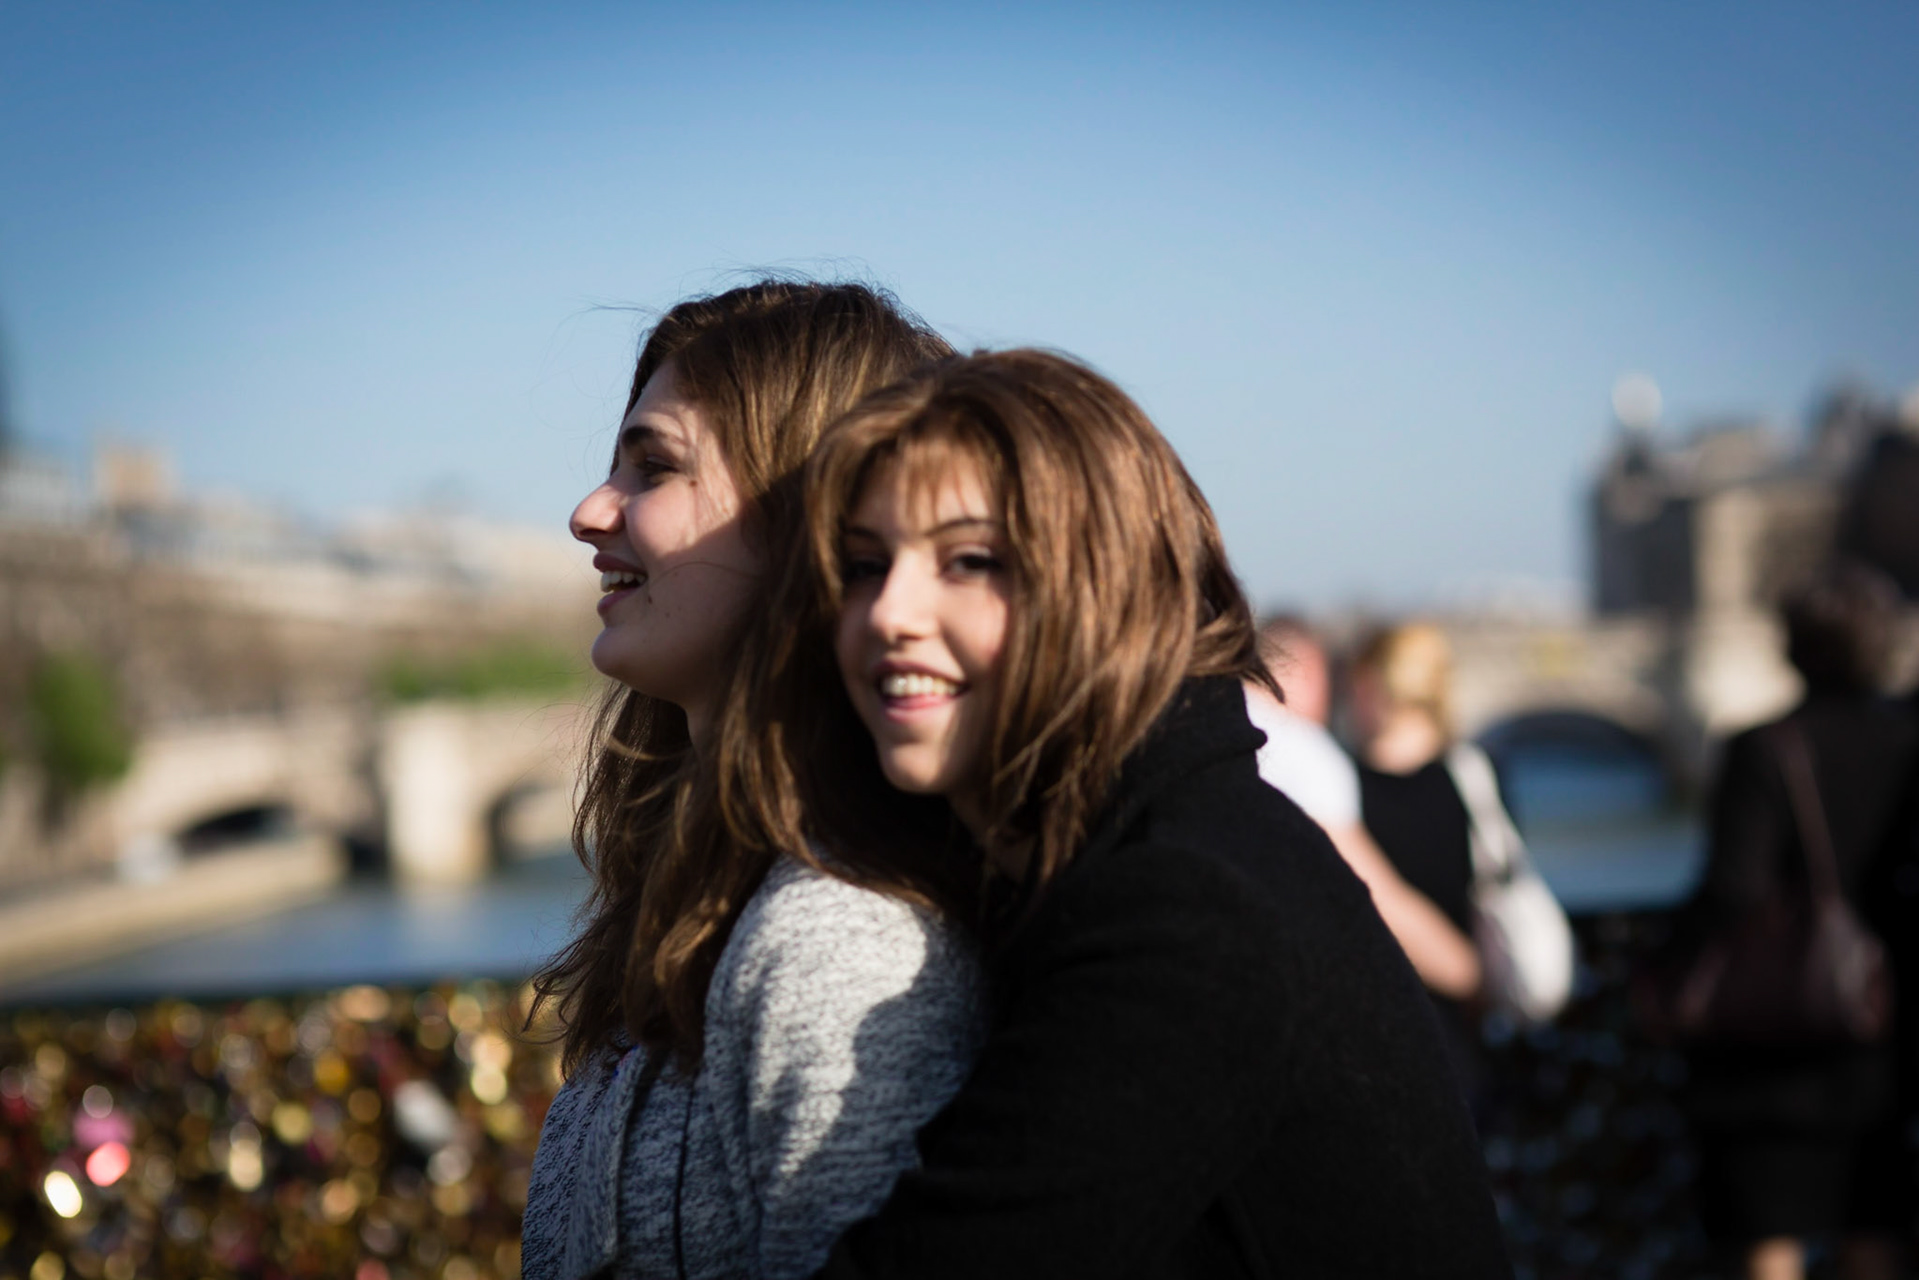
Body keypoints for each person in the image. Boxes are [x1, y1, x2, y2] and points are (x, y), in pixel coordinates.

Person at [750, 349, 1509, 1278]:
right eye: (865, 566)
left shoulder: (1185, 907)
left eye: (973, 560)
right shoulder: (1173, 844)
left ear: (1105, 589)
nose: (888, 611)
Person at [521, 281, 986, 1280]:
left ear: (806, 521)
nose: (590, 509)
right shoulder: (704, 900)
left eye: (655, 466)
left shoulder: (838, 940)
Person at [1678, 563, 1918, 1280]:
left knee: (1769, 1230)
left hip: (1778, 1033)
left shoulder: (1765, 748)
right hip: (1886, 1023)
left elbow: (1734, 887)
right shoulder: (1908, 743)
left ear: (1790, 648)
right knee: (1874, 1219)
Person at [1246, 616, 1481, 999]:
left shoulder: (1218, 734)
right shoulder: (1306, 754)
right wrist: (1471, 977)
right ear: (1306, 673)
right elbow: (1375, 900)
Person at [1348, 622, 1501, 1100]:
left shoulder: (1343, 792)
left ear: (1371, 687)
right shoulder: (1473, 779)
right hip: (1459, 1026)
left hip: (1372, 1027)